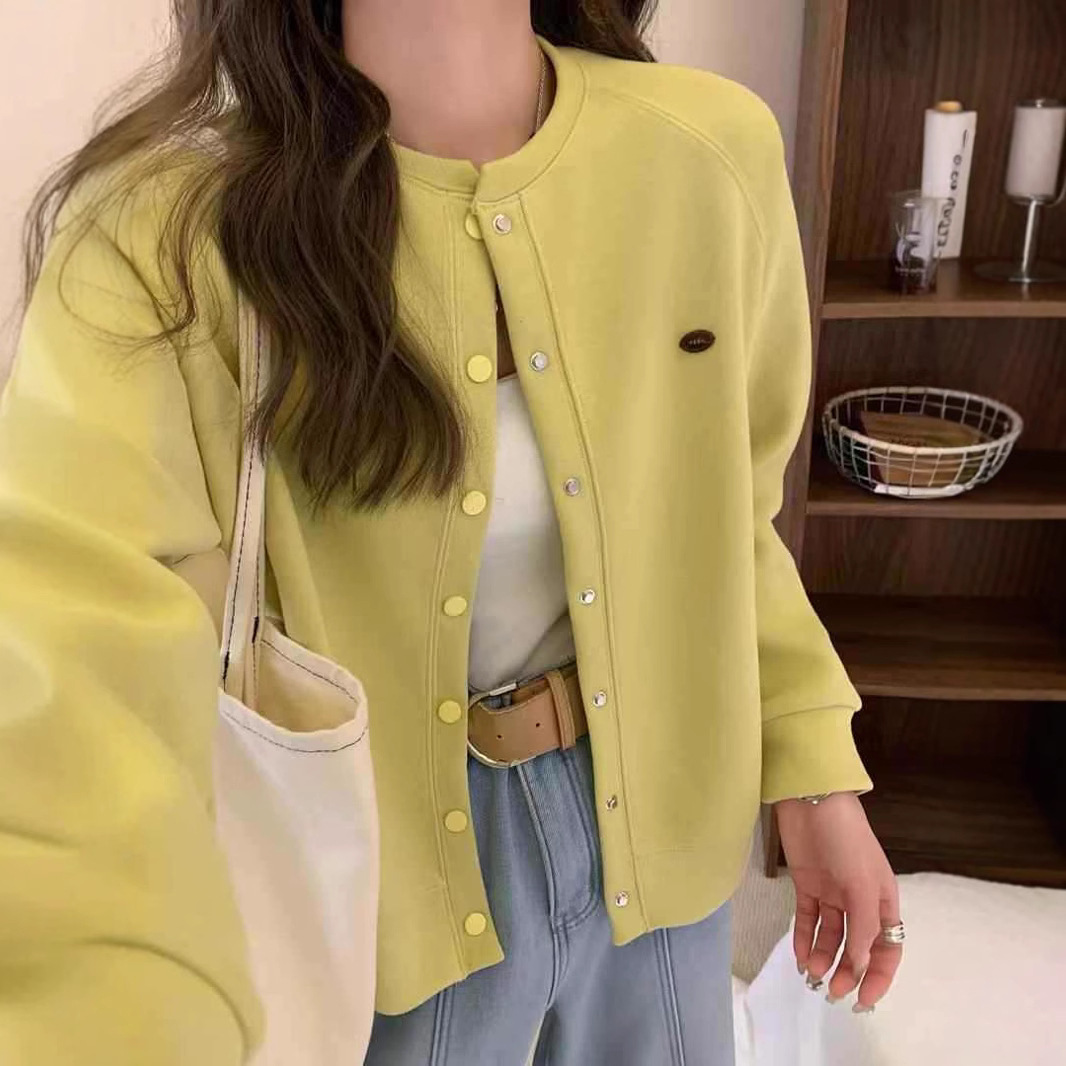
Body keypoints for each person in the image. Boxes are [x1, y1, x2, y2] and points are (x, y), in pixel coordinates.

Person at [0, 1, 903, 1063]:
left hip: (667, 843)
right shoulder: (160, 234)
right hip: (388, 896)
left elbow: (732, 519)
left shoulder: (708, 150)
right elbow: (72, 670)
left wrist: (813, 769)